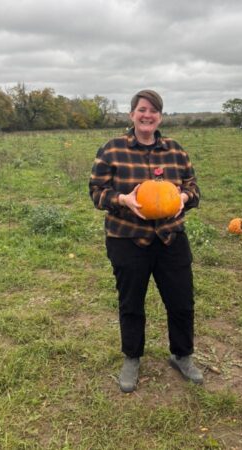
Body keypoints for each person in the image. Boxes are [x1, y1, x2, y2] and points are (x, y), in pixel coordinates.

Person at [89, 89, 204, 393]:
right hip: (127, 239)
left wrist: (183, 197)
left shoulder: (176, 151)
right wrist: (123, 199)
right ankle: (132, 357)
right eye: (142, 109)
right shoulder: (112, 151)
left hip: (170, 238)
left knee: (181, 301)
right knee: (131, 303)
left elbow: (194, 189)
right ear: (132, 115)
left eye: (153, 110)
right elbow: (96, 193)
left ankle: (182, 355)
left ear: (160, 117)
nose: (147, 115)